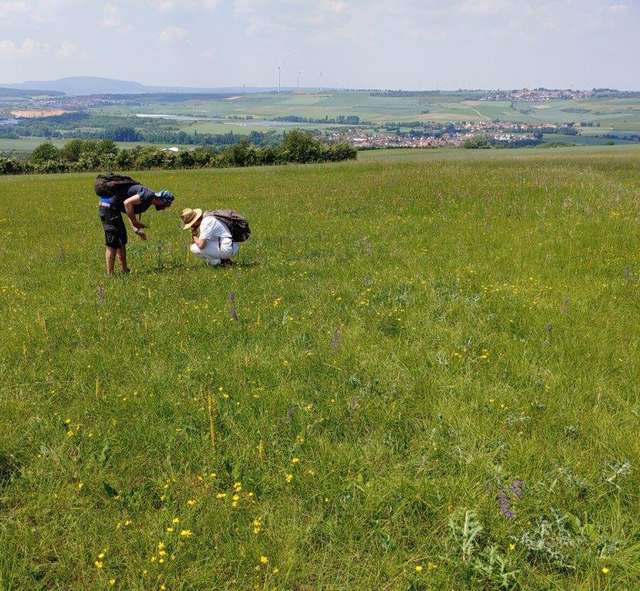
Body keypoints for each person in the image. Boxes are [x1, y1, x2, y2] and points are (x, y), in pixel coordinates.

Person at [98, 184, 174, 275]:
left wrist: (136, 230)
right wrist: (135, 222)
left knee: (121, 239)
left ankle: (124, 270)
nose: (164, 208)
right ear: (162, 200)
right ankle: (110, 274)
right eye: (166, 205)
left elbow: (130, 211)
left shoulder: (148, 200)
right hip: (107, 206)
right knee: (113, 242)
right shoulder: (148, 195)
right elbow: (127, 203)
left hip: (113, 208)